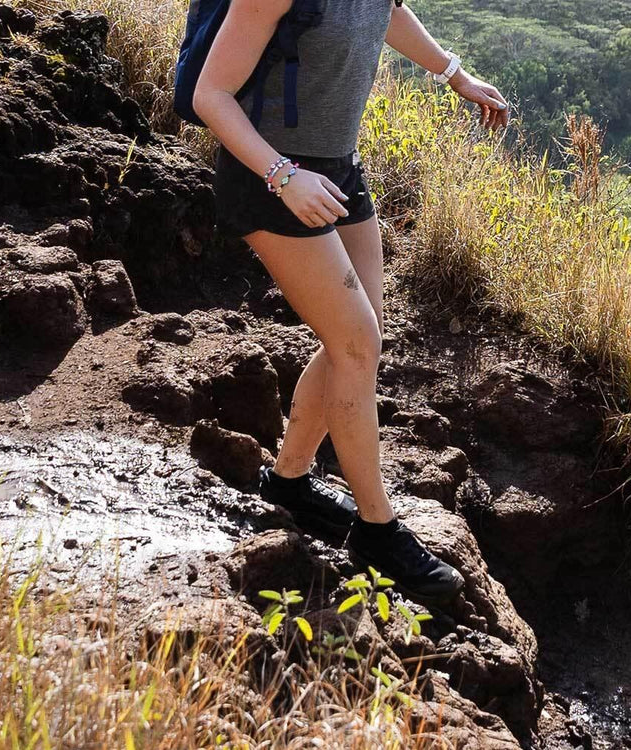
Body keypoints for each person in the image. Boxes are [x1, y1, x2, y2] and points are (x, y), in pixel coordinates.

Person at [192, 0, 509, 602]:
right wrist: (283, 177)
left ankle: (287, 482)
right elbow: (212, 94)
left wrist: (455, 75)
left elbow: (385, 12)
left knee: (357, 337)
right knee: (356, 342)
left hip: (336, 166)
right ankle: (377, 528)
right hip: (269, 178)